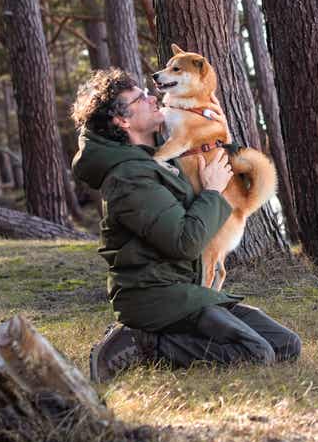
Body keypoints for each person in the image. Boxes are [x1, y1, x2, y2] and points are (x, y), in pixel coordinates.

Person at [70, 68, 300, 383]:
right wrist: (212, 193)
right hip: (155, 298)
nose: (153, 99)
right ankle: (143, 345)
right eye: (140, 99)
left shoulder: (162, 158)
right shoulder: (128, 178)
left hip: (186, 293)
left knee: (287, 344)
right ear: (122, 121)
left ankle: (177, 341)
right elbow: (184, 242)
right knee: (256, 353)